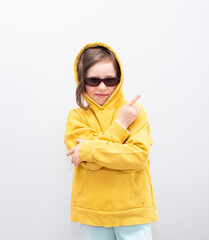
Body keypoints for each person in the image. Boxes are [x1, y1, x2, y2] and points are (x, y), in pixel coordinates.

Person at [64, 42, 158, 240]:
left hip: (133, 211)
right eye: (93, 80)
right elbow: (85, 160)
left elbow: (137, 157)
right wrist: (120, 125)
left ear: (119, 79)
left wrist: (90, 150)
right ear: (82, 80)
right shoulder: (76, 117)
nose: (102, 87)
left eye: (110, 80)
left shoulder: (134, 112)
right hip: (92, 213)